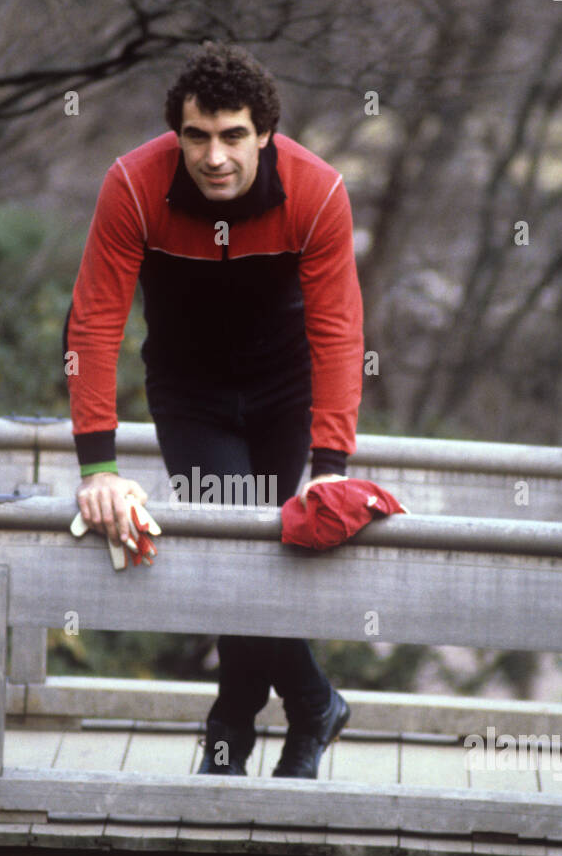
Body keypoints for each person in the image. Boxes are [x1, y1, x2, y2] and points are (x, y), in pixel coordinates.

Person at [63, 42, 364, 778]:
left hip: (281, 389)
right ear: (177, 135)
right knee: (237, 540)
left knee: (259, 551)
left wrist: (330, 467)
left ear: (265, 131)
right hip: (189, 392)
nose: (214, 156)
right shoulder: (133, 186)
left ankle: (244, 727)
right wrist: (98, 465)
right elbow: (95, 321)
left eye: (233, 135)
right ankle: (304, 705)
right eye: (196, 136)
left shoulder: (317, 192)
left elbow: (337, 330)